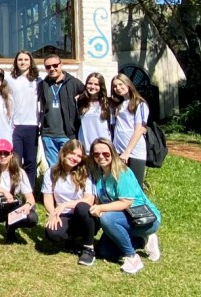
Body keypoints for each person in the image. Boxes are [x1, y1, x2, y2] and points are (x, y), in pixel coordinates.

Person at [89, 138, 161, 274]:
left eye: (106, 153)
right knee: (105, 251)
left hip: (144, 218)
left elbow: (125, 203)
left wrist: (101, 209)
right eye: (96, 154)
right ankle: (141, 241)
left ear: (113, 153)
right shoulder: (99, 174)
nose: (101, 157)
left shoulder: (122, 173)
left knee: (107, 219)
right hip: (123, 218)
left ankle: (132, 257)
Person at [42, 139, 96, 266]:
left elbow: (89, 200)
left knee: (82, 207)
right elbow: (48, 197)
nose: (75, 158)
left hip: (84, 215)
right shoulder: (51, 172)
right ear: (64, 153)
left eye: (79, 156)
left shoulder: (85, 173)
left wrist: (65, 204)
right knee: (52, 233)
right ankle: (71, 239)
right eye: (72, 153)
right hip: (64, 215)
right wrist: (53, 213)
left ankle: (89, 248)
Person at [38, 54, 85, 168]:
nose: (52, 69)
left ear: (61, 64)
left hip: (67, 135)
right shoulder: (43, 84)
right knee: (53, 168)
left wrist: (81, 98)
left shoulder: (73, 83)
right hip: (48, 135)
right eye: (48, 67)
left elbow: (89, 95)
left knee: (69, 167)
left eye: (55, 65)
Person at [6, 50, 42, 189]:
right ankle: (15, 191)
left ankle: (29, 194)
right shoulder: (10, 79)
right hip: (16, 126)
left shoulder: (38, 81)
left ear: (30, 61)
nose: (23, 62)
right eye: (20, 59)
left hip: (32, 126)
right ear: (16, 62)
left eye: (26, 60)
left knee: (30, 162)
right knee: (15, 162)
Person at [110, 74, 150, 187]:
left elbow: (140, 129)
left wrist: (127, 152)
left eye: (120, 84)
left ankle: (140, 205)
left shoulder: (139, 104)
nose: (117, 88)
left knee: (135, 186)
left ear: (128, 84)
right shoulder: (118, 105)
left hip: (134, 152)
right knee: (121, 185)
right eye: (114, 86)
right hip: (118, 150)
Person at [76, 72, 112, 153]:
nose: (92, 87)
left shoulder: (107, 103)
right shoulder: (80, 101)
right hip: (85, 147)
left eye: (96, 84)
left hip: (103, 147)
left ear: (101, 86)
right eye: (90, 83)